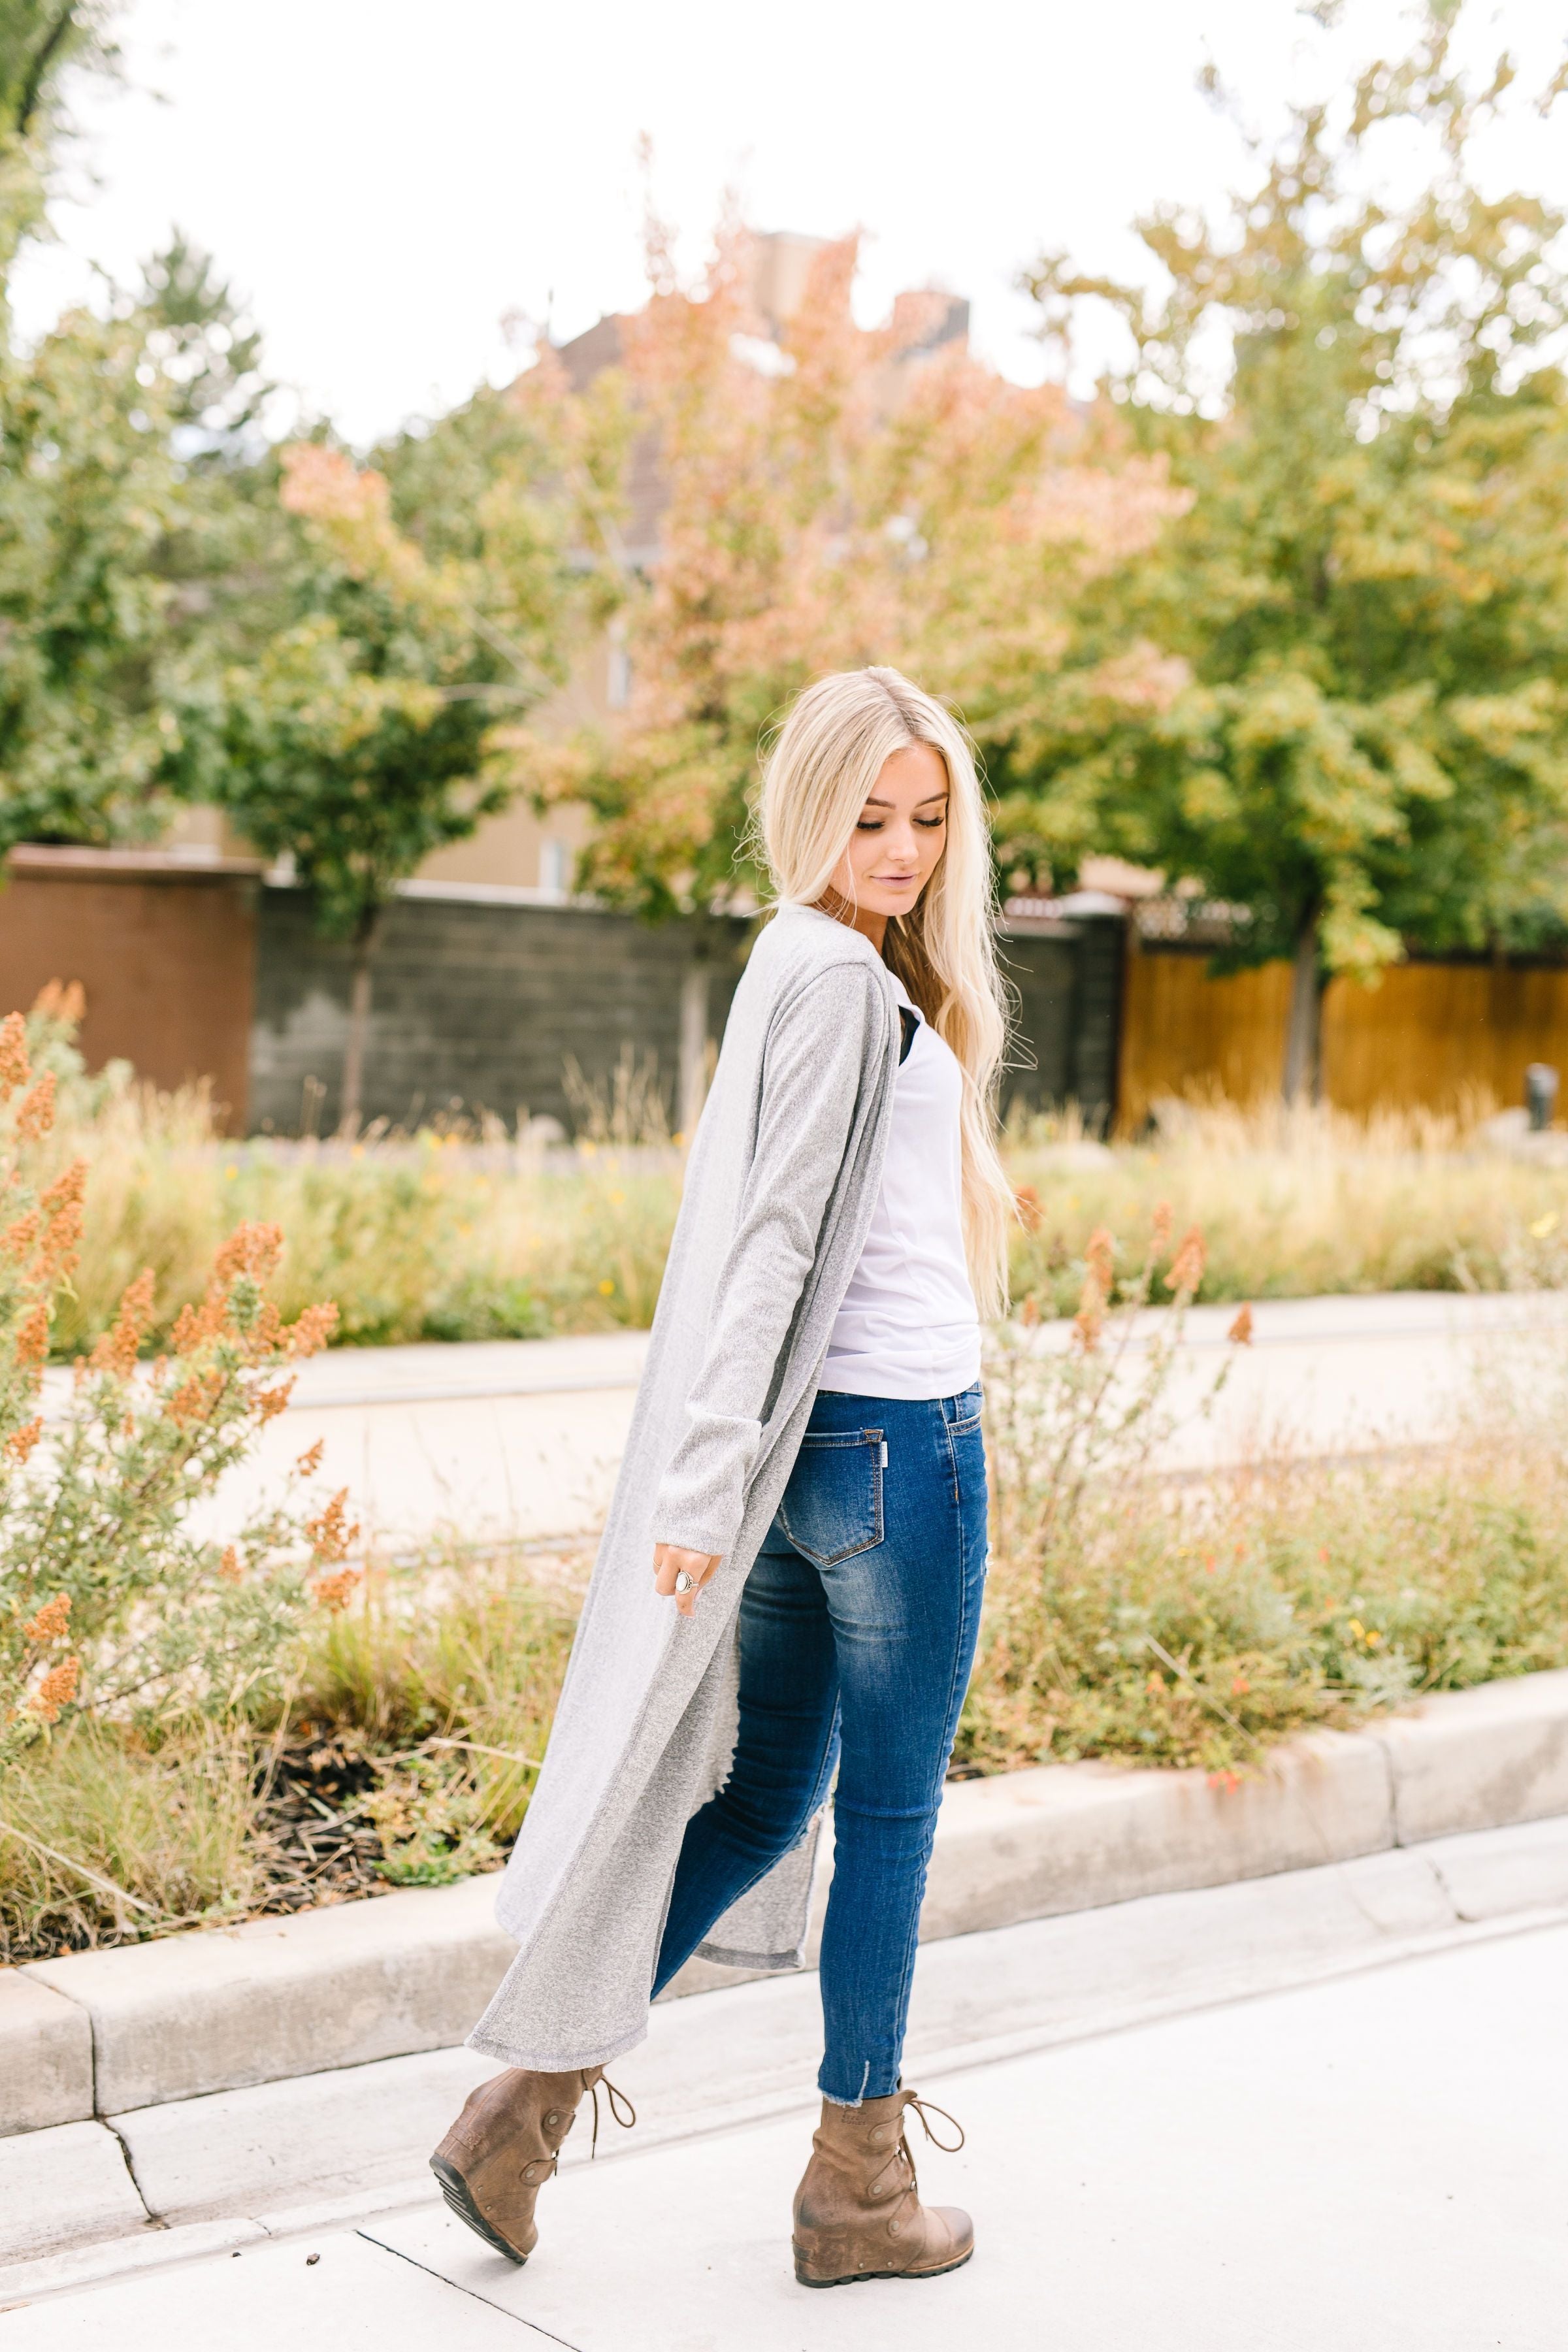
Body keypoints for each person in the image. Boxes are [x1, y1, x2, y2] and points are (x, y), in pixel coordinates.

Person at [431, 664, 1013, 2288]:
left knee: (763, 1799)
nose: (899, 847)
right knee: (883, 1822)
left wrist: (724, 1484)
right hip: (900, 1450)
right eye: (868, 816)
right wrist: (694, 1490)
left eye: (926, 816)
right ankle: (860, 2192)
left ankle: (521, 2115)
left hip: (797, 1470)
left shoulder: (798, 959)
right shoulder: (840, 982)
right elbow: (764, 1251)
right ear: (808, 807)